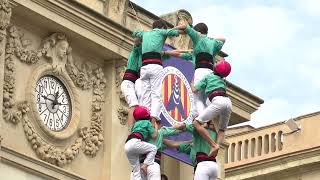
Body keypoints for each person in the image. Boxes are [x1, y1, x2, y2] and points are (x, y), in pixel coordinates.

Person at [132, 19, 184, 123]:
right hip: (155, 66)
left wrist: (142, 34)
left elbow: (135, 33)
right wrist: (180, 27)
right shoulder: (161, 31)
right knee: (156, 93)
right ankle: (154, 117)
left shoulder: (145, 34)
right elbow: (178, 32)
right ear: (161, 28)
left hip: (144, 68)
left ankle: (144, 116)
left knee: (145, 93)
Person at [177, 23, 226, 119]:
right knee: (204, 99)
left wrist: (172, 30)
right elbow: (223, 39)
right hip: (210, 73)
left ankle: (203, 119)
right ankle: (198, 118)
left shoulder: (198, 37)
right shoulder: (213, 43)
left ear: (198, 32)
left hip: (201, 71)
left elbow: (184, 26)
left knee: (197, 98)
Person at [192, 60, 232, 156]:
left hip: (218, 102)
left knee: (196, 123)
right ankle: (217, 144)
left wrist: (193, 81)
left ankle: (214, 145)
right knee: (222, 129)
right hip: (228, 102)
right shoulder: (223, 81)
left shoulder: (208, 76)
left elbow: (194, 89)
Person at [124, 106, 159, 180]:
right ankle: (145, 165)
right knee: (153, 148)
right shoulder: (147, 123)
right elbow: (154, 135)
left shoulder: (135, 124)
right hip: (135, 142)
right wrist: (156, 127)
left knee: (136, 171)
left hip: (127, 145)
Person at [121, 38, 142, 127]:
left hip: (133, 84)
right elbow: (136, 42)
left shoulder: (143, 57)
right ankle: (130, 131)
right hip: (128, 83)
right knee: (134, 105)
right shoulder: (137, 52)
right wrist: (142, 37)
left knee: (139, 108)